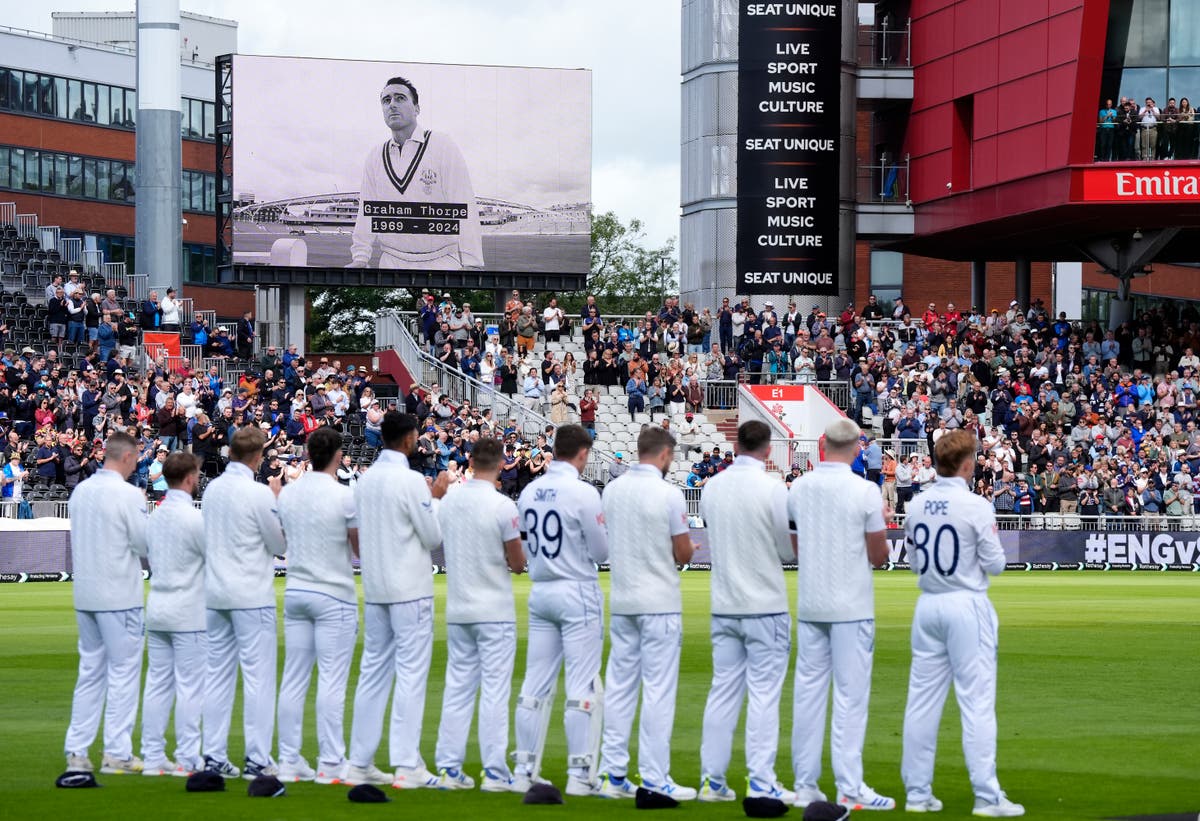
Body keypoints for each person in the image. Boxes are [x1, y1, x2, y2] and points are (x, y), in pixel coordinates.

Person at [900, 430, 1024, 817]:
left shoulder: (917, 505)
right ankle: (987, 796)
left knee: (921, 702)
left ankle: (918, 793)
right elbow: (996, 565)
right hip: (967, 604)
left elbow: (915, 562)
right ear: (967, 464)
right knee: (977, 704)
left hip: (929, 604)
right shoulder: (975, 506)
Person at [788, 418, 894, 811]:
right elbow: (879, 555)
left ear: (822, 447)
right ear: (856, 450)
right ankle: (849, 787)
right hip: (851, 606)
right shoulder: (865, 491)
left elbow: (795, 547)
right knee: (850, 698)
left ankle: (805, 785)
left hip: (813, 602)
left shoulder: (799, 487)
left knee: (808, 696)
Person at [346, 411, 449, 788]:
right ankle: (407, 764)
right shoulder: (409, 481)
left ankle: (360, 761)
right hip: (408, 589)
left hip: (376, 589)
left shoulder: (366, 480)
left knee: (373, 674)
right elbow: (433, 536)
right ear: (408, 440)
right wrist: (435, 498)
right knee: (410, 674)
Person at [596, 426, 696, 801]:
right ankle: (655, 776)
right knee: (657, 691)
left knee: (620, 689)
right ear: (665, 454)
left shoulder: (613, 490)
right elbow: (684, 553)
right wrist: (683, 547)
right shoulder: (669, 494)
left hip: (623, 600)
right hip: (659, 602)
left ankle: (613, 774)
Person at [697, 420, 795, 803]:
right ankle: (760, 779)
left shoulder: (713, 487)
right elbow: (787, 552)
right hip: (764, 605)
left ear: (737, 445)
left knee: (722, 692)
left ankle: (712, 780)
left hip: (725, 603)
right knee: (764, 696)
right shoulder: (772, 488)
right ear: (768, 449)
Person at [512, 424, 609, 795]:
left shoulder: (529, 491)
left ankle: (524, 768)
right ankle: (580, 775)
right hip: (576, 589)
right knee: (583, 684)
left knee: (534, 686)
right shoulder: (583, 493)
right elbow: (601, 552)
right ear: (582, 453)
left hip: (541, 590)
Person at [433, 437, 527, 792]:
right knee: (494, 691)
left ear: (470, 462)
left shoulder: (451, 502)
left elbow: (433, 536)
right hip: (494, 610)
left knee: (458, 688)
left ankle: (449, 767)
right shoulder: (503, 506)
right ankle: (494, 769)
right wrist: (512, 560)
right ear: (502, 463)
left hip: (459, 607)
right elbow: (518, 563)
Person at [200, 426, 287, 780]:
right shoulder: (258, 493)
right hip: (250, 594)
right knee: (258, 680)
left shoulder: (213, 490)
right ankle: (257, 757)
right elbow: (279, 545)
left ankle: (213, 755)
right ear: (258, 457)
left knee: (218, 677)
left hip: (216, 593)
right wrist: (277, 499)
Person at [275, 426, 360, 784]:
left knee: (294, 679)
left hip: (297, 591)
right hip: (333, 593)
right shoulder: (344, 496)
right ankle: (331, 761)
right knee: (331, 681)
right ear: (338, 456)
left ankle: (289, 759)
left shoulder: (289, 495)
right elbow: (360, 549)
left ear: (308, 454)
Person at [63, 432, 149, 775]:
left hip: (86, 594)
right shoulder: (128, 494)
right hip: (119, 596)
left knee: (90, 675)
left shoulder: (81, 491)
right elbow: (144, 545)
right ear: (127, 457)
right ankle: (117, 752)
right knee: (124, 675)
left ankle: (76, 751)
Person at [347, 76, 483, 270]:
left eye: (400, 98)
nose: (392, 104)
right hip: (391, 261)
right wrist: (360, 257)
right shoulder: (375, 155)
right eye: (386, 100)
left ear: (417, 108)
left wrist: (472, 262)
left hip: (442, 261)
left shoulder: (442, 145)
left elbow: (464, 205)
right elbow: (367, 211)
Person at [141, 452, 206, 777]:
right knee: (190, 686)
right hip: (187, 610)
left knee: (157, 683)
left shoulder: (155, 517)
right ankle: (188, 757)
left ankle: (153, 756)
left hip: (159, 606)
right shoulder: (195, 519)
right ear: (191, 479)